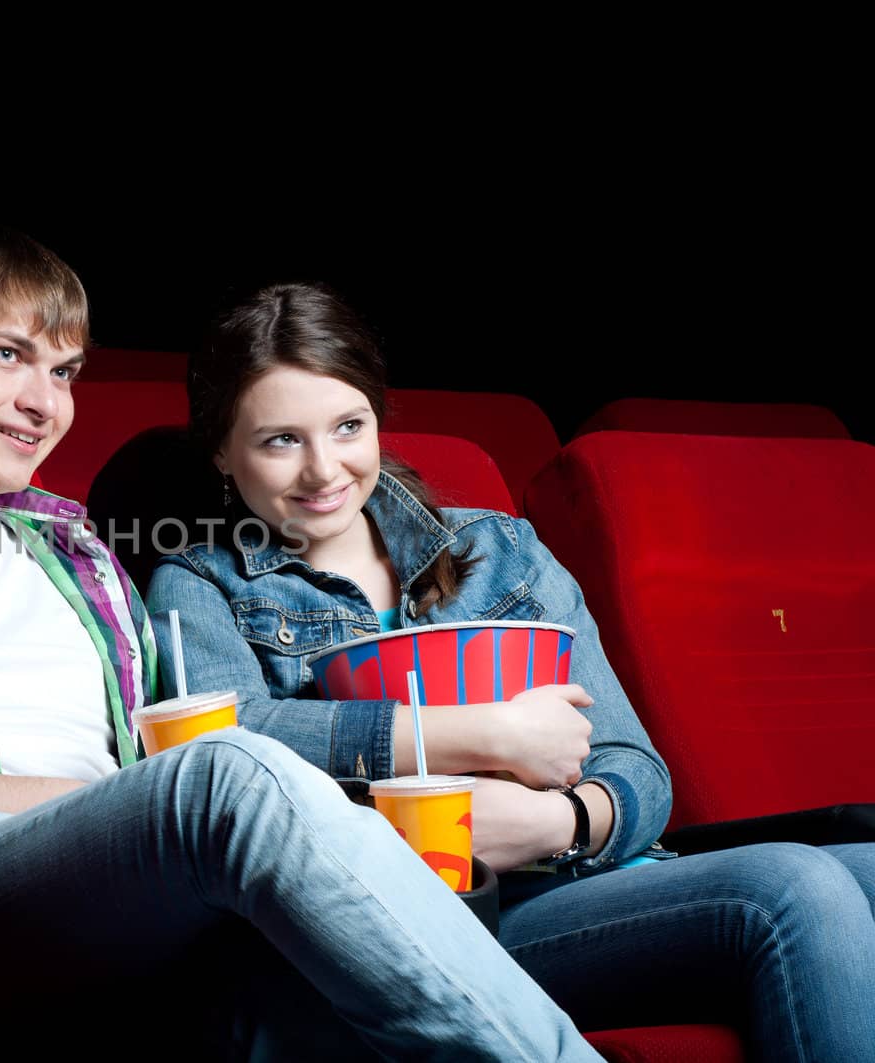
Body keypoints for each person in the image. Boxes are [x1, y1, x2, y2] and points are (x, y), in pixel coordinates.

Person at [0, 227, 603, 1058]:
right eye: (8, 355)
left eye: (65, 372)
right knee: (229, 771)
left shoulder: (81, 550)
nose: (44, 401)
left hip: (143, 906)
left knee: (334, 1003)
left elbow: (171, 760)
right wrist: (99, 801)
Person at [145, 280, 875, 1059]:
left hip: (580, 877)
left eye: (347, 426)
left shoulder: (501, 548)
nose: (324, 470)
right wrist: (483, 732)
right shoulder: (200, 582)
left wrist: (556, 821)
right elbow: (229, 747)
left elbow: (637, 767)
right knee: (794, 889)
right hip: (415, 924)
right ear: (223, 449)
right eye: (280, 440)